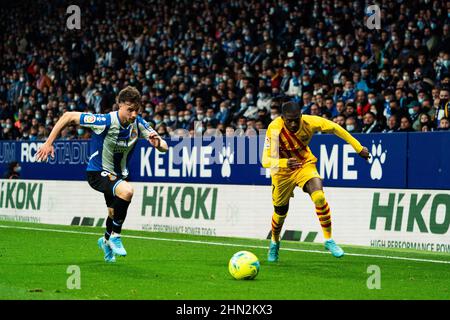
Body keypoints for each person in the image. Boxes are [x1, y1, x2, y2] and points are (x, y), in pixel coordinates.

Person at [35, 86, 169, 263]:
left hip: (117, 175)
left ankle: (105, 242)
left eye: (137, 109)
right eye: (130, 109)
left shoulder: (139, 124)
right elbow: (68, 116)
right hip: (97, 172)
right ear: (119, 105)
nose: (134, 114)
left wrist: (157, 143)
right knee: (127, 191)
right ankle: (115, 236)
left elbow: (164, 147)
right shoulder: (104, 121)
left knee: (113, 212)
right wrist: (48, 143)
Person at [261, 101, 370, 261]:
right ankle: (275, 242)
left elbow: (335, 128)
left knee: (319, 196)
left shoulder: (309, 122)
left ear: (301, 116)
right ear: (283, 118)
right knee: (280, 214)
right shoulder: (275, 129)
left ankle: (328, 239)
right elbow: (265, 160)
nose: (293, 123)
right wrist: (284, 162)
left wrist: (358, 147)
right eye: (289, 120)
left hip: (304, 164)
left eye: (296, 119)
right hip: (281, 172)